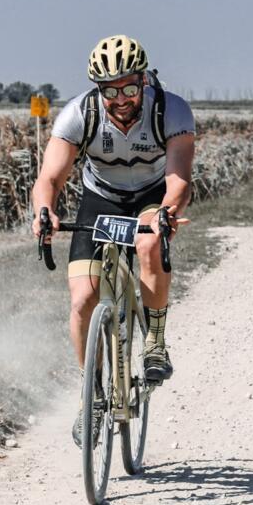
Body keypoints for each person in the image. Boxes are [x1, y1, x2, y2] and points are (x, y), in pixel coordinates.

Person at [31, 34, 196, 447]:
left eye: (128, 88)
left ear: (144, 80)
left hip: (151, 196)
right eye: (110, 91)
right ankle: (92, 396)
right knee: (83, 300)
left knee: (148, 244)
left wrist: (166, 213)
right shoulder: (79, 114)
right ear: (98, 90)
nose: (120, 99)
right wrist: (45, 212)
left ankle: (154, 342)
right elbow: (49, 178)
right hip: (100, 199)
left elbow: (179, 178)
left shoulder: (171, 110)